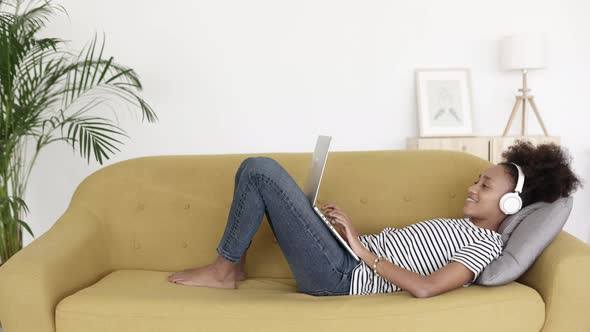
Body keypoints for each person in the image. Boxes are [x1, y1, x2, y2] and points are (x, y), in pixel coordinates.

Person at [167, 140, 583, 297]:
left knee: (261, 168)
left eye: (485, 186)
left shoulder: (484, 246)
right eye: (477, 180)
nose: (473, 188)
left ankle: (223, 270)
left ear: (510, 204)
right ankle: (233, 264)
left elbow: (424, 287)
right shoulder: (461, 228)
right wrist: (346, 234)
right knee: (253, 171)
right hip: (343, 257)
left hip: (341, 277)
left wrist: (360, 251)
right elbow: (399, 253)